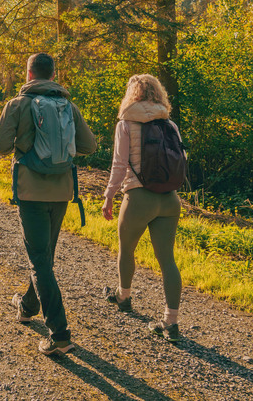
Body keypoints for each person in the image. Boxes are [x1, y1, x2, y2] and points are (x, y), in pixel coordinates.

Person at [0, 53, 97, 355]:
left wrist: (19, 141)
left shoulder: (17, 104)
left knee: (39, 260)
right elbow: (89, 146)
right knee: (44, 256)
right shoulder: (69, 106)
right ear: (53, 74)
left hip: (30, 192)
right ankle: (26, 306)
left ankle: (59, 334)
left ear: (28, 74)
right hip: (62, 192)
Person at [101, 73, 184, 341]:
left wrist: (109, 195)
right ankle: (171, 323)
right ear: (158, 94)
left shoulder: (126, 122)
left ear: (132, 95)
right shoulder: (168, 122)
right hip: (170, 199)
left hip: (139, 197)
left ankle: (123, 296)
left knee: (127, 249)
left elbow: (119, 164)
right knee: (167, 260)